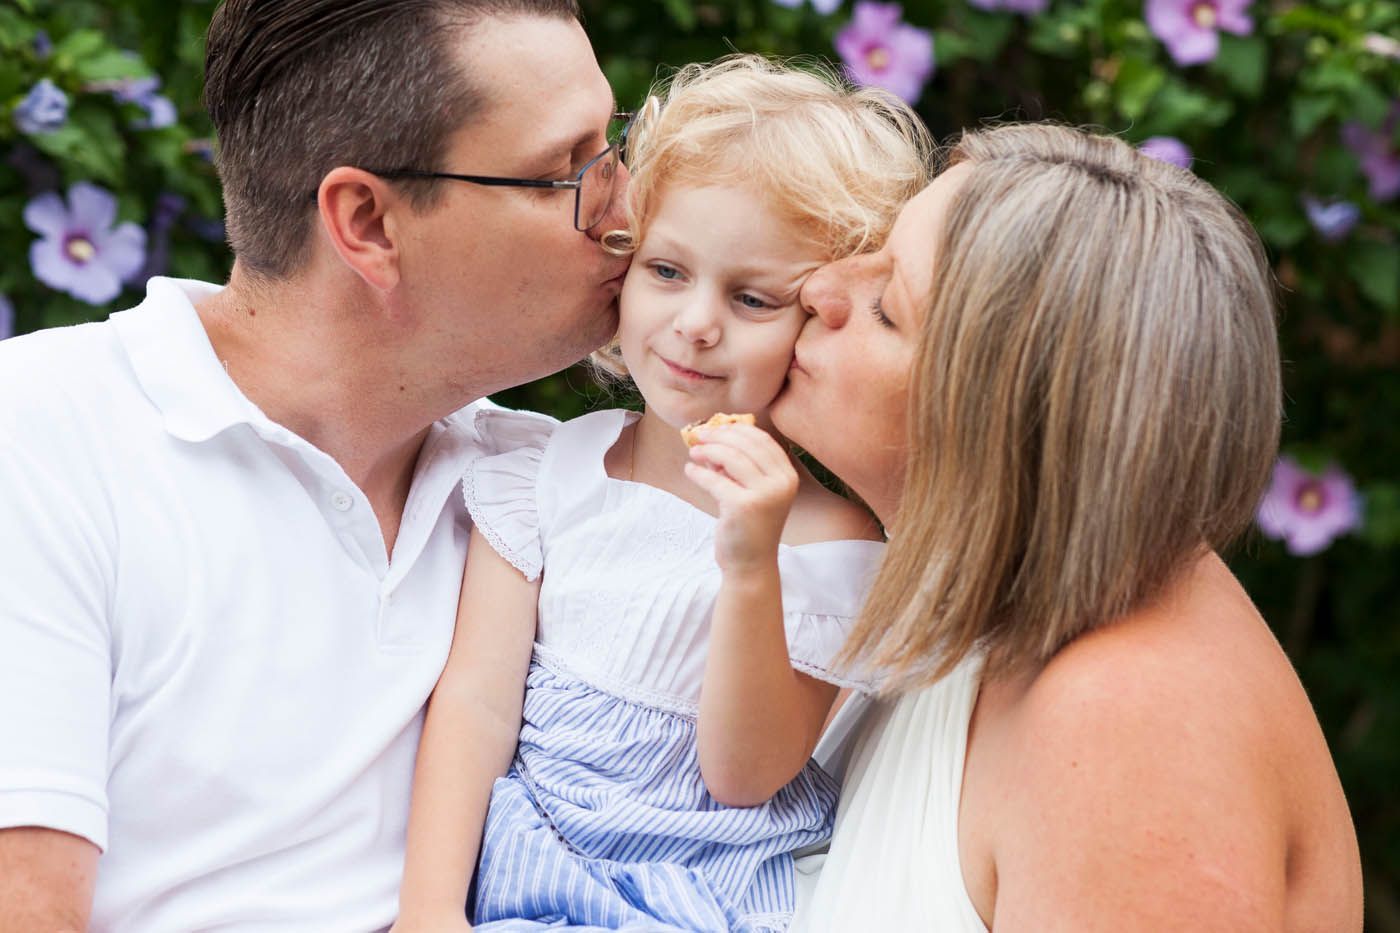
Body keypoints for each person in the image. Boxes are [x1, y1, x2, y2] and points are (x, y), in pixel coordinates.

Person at [0, 2, 634, 930]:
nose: (629, 211)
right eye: (566, 173)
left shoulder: (543, 486)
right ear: (368, 222)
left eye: (615, 149)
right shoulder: (45, 436)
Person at [773, 123, 1365, 930]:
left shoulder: (1132, 721)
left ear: (1004, 419)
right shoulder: (973, 609)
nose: (819, 287)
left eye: (886, 308)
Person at [390, 57, 930, 933]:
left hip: (704, 892)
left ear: (818, 319)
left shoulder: (828, 543)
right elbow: (477, 704)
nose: (697, 322)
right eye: (668, 271)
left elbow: (745, 774)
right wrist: (429, 908)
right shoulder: (547, 475)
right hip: (534, 866)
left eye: (753, 297)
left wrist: (750, 563)